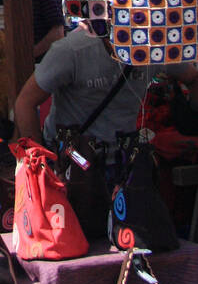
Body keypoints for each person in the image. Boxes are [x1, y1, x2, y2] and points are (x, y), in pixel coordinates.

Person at [14, 24, 198, 175]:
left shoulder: (155, 46)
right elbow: (25, 103)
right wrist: (40, 167)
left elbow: (193, 78)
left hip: (122, 161)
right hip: (73, 159)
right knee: (82, 210)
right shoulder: (72, 50)